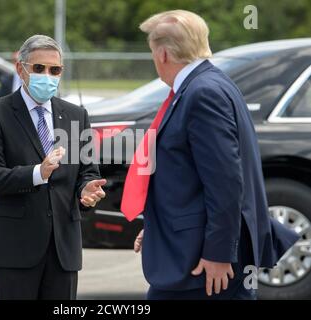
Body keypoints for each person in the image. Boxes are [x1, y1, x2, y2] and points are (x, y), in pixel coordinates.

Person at [121, 10, 299, 300]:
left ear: (163, 54)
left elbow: (226, 182)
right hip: (191, 251)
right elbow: (187, 174)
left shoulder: (203, 93)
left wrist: (218, 253)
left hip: (202, 263)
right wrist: (157, 226)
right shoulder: (208, 84)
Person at [0, 34, 106, 300]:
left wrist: (86, 190)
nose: (47, 75)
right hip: (14, 249)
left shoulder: (76, 115)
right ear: (20, 69)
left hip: (63, 251)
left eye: (54, 70)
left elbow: (87, 171)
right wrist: (38, 172)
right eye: (39, 68)